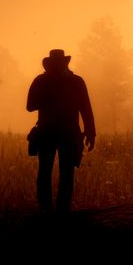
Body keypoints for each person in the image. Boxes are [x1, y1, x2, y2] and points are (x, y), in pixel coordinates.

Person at [26, 49, 96, 216]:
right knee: (66, 173)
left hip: (47, 132)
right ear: (65, 63)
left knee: (45, 172)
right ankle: (61, 212)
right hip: (68, 132)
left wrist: (48, 98)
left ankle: (46, 211)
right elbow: (85, 109)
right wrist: (90, 133)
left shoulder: (41, 81)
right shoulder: (76, 81)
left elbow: (30, 106)